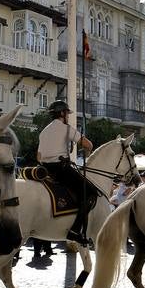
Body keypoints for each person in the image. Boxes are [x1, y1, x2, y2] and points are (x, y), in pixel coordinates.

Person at [37, 99, 94, 245]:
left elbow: (38, 156)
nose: (68, 116)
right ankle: (74, 231)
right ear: (62, 113)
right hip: (61, 169)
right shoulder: (66, 128)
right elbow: (88, 144)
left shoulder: (44, 131)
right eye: (67, 113)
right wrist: (87, 152)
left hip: (44, 169)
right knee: (89, 193)